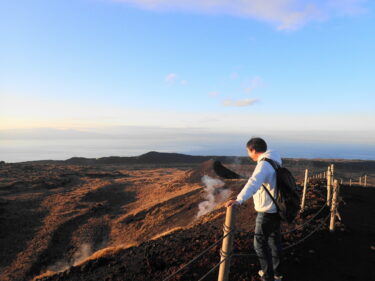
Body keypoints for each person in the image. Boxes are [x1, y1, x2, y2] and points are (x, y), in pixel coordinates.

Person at [225, 137, 283, 281]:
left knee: (259, 244)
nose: (248, 155)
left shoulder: (263, 164)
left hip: (266, 212)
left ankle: (267, 275)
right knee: (273, 242)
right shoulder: (275, 160)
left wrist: (238, 200)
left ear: (253, 150)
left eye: (248, 152)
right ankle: (277, 273)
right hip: (277, 209)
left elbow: (253, 182)